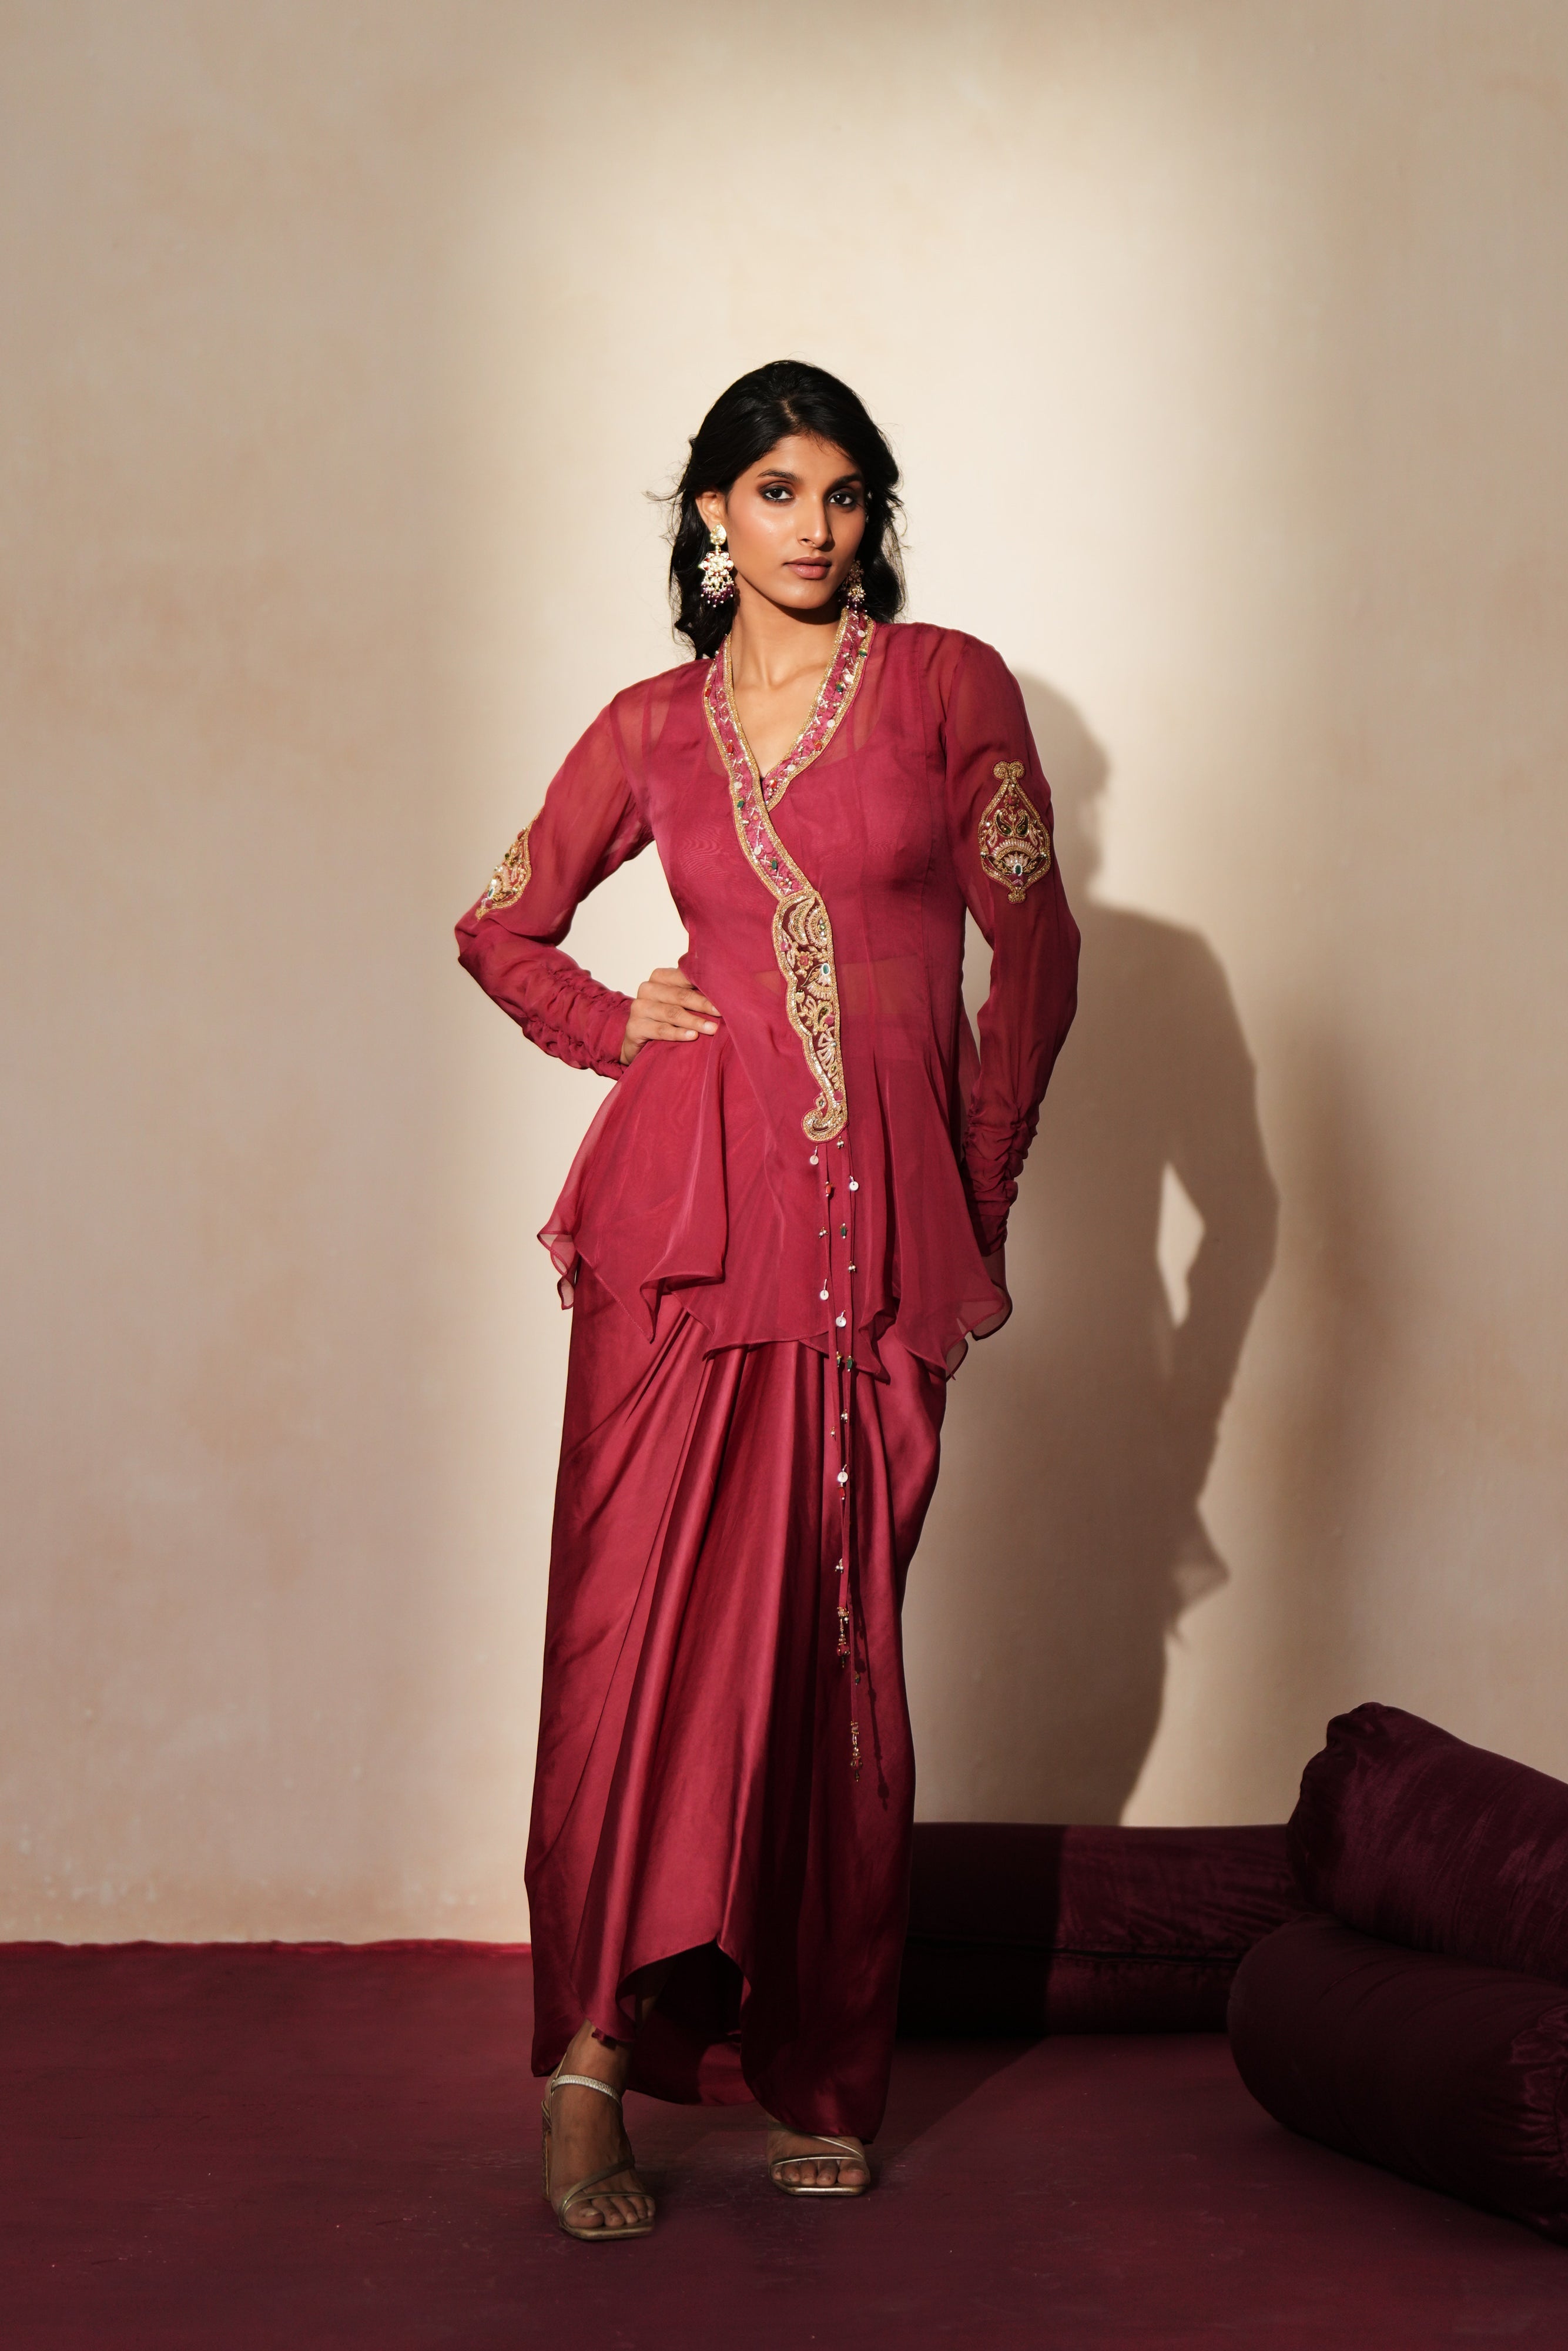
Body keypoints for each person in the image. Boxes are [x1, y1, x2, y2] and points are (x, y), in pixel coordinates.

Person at [456, 360, 1080, 2241]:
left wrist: (972, 1193)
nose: (815, 525)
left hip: (876, 1247)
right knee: (624, 1650)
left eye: (844, 492)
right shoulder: (650, 725)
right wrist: (606, 1020)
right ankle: (586, 2067)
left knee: (837, 1657)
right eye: (776, 490)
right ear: (711, 517)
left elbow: (1032, 960)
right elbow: (501, 921)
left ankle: (822, 2060)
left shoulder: (954, 689)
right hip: (681, 1237)